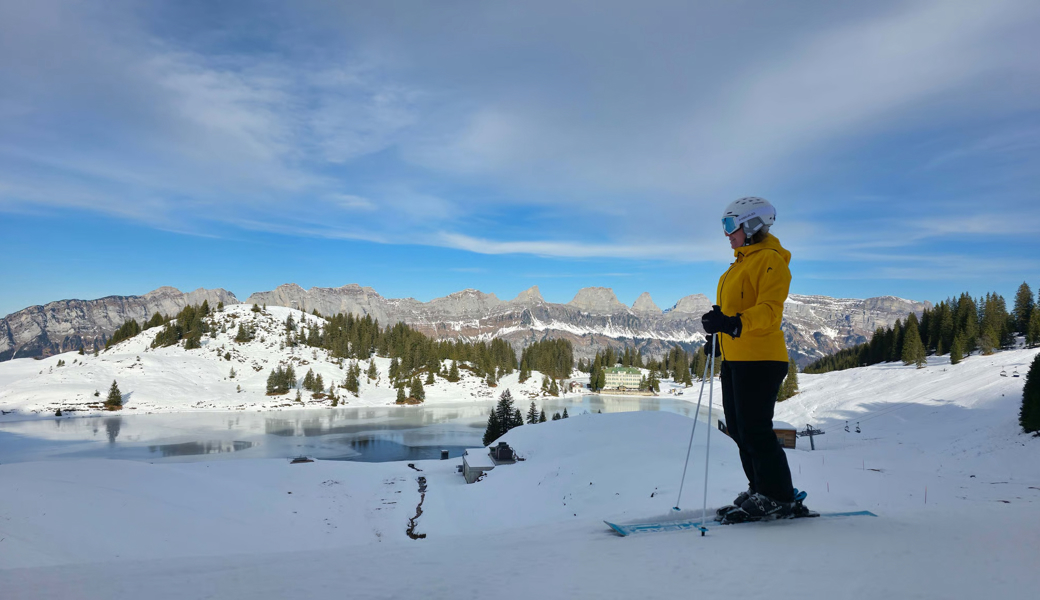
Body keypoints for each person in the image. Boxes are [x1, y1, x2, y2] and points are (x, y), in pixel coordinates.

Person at [700, 196, 796, 520]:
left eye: (730, 226)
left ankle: (779, 497)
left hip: (762, 360)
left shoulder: (770, 261)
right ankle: (761, 489)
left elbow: (770, 311)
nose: (727, 234)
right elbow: (733, 311)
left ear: (751, 224)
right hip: (736, 359)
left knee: (756, 430)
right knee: (740, 430)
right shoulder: (741, 263)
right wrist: (721, 336)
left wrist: (733, 324)